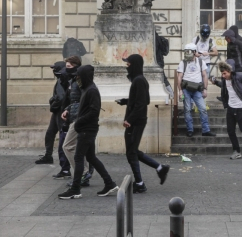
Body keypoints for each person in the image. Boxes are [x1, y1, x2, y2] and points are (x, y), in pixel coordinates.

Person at [58, 65, 119, 199]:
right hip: (86, 128)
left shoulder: (92, 90)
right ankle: (109, 183)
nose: (77, 79)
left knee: (79, 158)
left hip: (87, 129)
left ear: (84, 76)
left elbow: (93, 111)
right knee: (91, 157)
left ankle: (75, 189)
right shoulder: (87, 89)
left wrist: (79, 122)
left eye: (79, 76)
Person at [120, 54, 170, 193]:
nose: (127, 67)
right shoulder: (138, 80)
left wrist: (129, 120)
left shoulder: (139, 81)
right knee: (133, 151)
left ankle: (141, 183)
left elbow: (142, 103)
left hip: (136, 122)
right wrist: (126, 101)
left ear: (135, 65)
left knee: (131, 152)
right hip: (136, 121)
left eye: (128, 64)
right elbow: (140, 100)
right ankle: (159, 169)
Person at [60, 56, 94, 187]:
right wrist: (68, 109)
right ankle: (84, 174)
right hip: (76, 116)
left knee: (67, 146)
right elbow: (74, 101)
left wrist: (74, 113)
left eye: (68, 67)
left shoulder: (80, 81)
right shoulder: (73, 80)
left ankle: (84, 173)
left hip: (79, 119)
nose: (66, 70)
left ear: (75, 66)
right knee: (80, 149)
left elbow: (83, 101)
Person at [36, 62, 71, 175]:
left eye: (55, 69)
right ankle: (48, 155)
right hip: (58, 111)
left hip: (60, 111)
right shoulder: (61, 79)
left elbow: (60, 98)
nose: (53, 71)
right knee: (50, 133)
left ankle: (65, 167)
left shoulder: (63, 79)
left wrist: (53, 103)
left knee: (62, 136)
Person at [177, 43, 216, 138]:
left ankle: (206, 130)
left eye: (189, 51)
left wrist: (205, 89)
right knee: (187, 110)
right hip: (186, 89)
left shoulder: (200, 62)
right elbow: (179, 77)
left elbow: (204, 75)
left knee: (202, 109)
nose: (187, 53)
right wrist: (180, 90)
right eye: (186, 51)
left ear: (194, 52)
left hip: (197, 90)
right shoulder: (183, 63)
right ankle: (190, 130)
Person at [155, 31, 174, 98]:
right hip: (160, 61)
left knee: (163, 79)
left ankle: (172, 94)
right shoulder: (159, 38)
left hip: (157, 62)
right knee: (163, 78)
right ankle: (171, 94)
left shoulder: (154, 39)